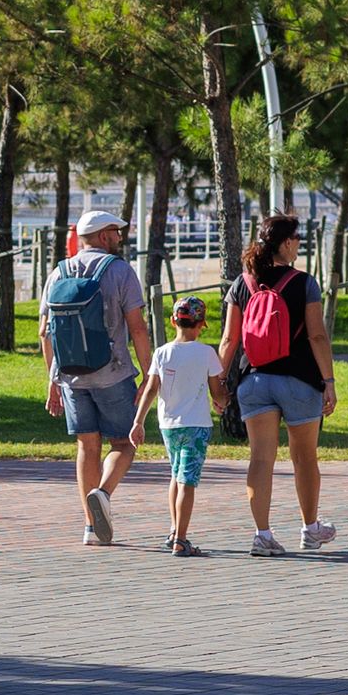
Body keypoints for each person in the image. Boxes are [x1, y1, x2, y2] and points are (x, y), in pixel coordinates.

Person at [218, 214, 338, 556]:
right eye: (297, 238)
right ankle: (310, 529)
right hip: (299, 381)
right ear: (286, 243)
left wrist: (218, 382)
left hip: (254, 380)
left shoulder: (243, 283)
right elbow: (316, 335)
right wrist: (328, 381)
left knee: (260, 459)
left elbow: (229, 339)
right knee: (304, 457)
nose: (299, 243)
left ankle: (263, 534)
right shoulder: (304, 283)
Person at [39, 209, 153, 546]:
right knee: (124, 442)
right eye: (115, 232)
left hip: (71, 376)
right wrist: (149, 373)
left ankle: (91, 528)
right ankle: (102, 493)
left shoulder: (57, 273)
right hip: (112, 373)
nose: (119, 238)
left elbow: (45, 332)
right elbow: (137, 327)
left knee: (86, 446)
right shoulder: (120, 271)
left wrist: (53, 378)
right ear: (103, 236)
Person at [128, 296, 228, 557]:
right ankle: (181, 539)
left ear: (174, 321)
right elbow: (217, 393)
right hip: (196, 425)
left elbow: (151, 389)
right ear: (202, 324)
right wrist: (222, 401)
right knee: (188, 481)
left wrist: (138, 421)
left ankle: (174, 529)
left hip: (168, 425)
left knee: (175, 476)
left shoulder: (162, 353)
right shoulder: (207, 353)